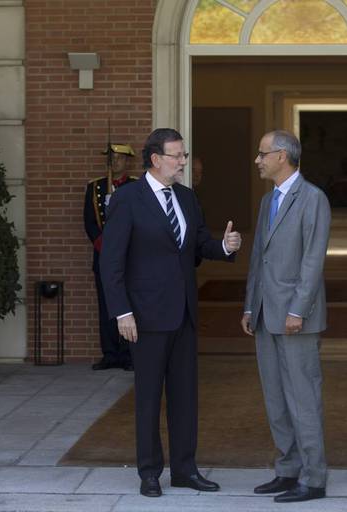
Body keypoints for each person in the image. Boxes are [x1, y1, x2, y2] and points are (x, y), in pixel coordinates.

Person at [99, 128, 242, 498]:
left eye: (183, 155)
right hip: (143, 318)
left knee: (185, 398)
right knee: (148, 398)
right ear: (155, 159)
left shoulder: (187, 198)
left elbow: (197, 245)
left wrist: (224, 247)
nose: (183, 162)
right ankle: (149, 472)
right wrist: (121, 312)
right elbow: (110, 263)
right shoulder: (128, 199)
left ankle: (184, 470)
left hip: (184, 316)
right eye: (177, 156)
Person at [240, 130, 331, 503]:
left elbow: (313, 260)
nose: (258, 160)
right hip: (264, 315)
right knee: (276, 398)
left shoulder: (313, 199)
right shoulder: (267, 202)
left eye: (262, 154)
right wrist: (250, 305)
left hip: (296, 318)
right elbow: (258, 258)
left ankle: (313, 477)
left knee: (303, 398)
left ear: (282, 156)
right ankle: (287, 469)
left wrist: (298, 309)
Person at [84, 143, 136, 371]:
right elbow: (89, 222)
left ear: (127, 161)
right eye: (111, 158)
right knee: (105, 305)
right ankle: (110, 353)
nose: (114, 162)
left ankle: (128, 354)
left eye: (119, 158)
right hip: (104, 256)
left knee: (129, 304)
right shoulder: (95, 187)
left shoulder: (136, 186)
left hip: (130, 258)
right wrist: (106, 248)